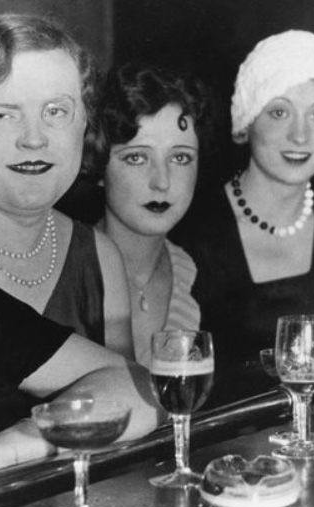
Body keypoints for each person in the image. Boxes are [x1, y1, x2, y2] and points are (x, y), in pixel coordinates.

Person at [0, 13, 164, 471]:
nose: (34, 138)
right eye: (3, 113)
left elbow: (129, 412)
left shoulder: (97, 255)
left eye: (56, 111)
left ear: (85, 124)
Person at [172, 24, 314, 405]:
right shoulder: (190, 231)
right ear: (245, 124)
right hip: (225, 452)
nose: (300, 136)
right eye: (279, 112)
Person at [95, 63, 215, 367]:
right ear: (97, 166)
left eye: (180, 157)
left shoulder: (195, 272)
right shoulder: (66, 271)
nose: (162, 181)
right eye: (136, 157)